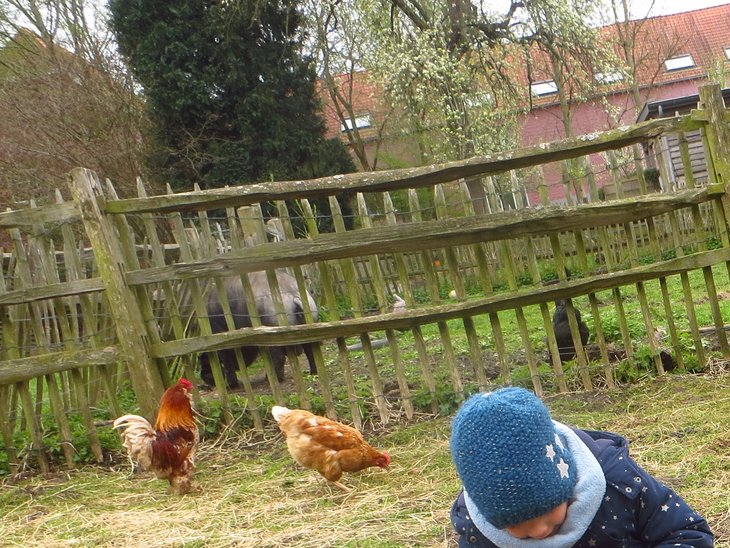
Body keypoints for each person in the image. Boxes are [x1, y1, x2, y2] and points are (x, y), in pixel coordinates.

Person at [449, 387, 714, 547]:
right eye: (516, 525)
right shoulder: (477, 532)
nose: (540, 531)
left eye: (548, 510)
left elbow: (687, 533)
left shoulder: (619, 484)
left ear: (565, 479)